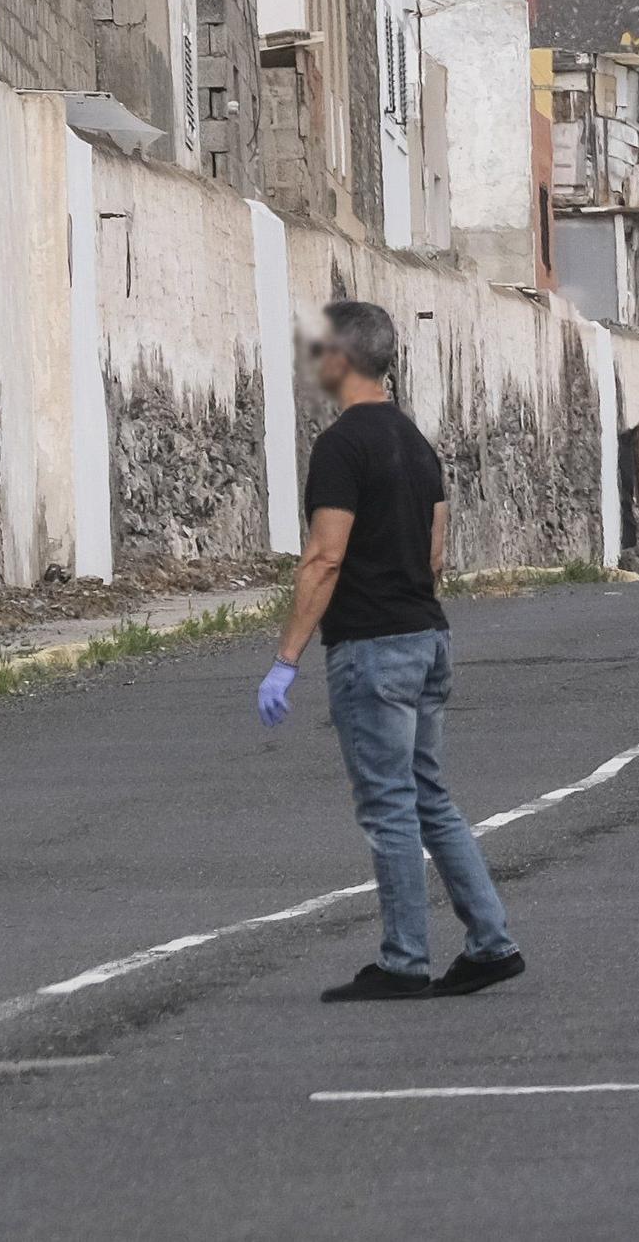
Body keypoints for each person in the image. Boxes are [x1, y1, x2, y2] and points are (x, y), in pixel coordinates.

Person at [256, 300, 524, 1002]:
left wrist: (286, 660)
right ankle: (491, 942)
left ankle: (405, 959)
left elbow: (324, 558)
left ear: (338, 360)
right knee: (430, 796)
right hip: (428, 636)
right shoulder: (416, 442)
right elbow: (436, 552)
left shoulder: (342, 447)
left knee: (387, 806)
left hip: (371, 648)